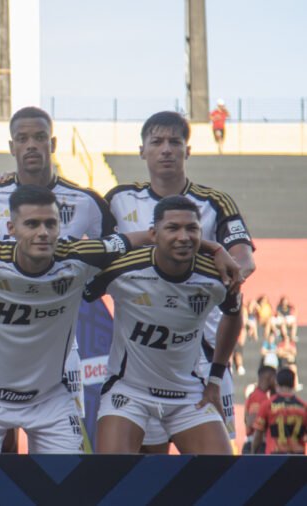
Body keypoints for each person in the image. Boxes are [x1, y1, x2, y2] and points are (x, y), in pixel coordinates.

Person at [0, 106, 116, 449]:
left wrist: (84, 289)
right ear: (11, 146)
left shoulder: (86, 201)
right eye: (23, 138)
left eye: (40, 137)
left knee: (61, 465)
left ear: (53, 143)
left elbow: (116, 257)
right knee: (0, 456)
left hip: (57, 355)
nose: (31, 145)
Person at [105, 111, 255, 451]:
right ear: (142, 150)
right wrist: (209, 247)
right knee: (149, 464)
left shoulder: (214, 201)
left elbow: (243, 262)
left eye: (175, 142)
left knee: (216, 468)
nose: (166, 149)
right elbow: (99, 253)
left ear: (188, 150)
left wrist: (209, 274)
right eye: (157, 142)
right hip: (144, 354)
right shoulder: (118, 199)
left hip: (204, 351)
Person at [87, 196, 242, 455]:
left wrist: (215, 378)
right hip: (129, 392)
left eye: (192, 229)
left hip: (188, 394)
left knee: (223, 472)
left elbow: (234, 315)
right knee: (111, 473)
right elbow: (79, 291)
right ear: (153, 233)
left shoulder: (216, 276)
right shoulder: (123, 269)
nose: (183, 237)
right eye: (172, 228)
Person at [251, 368, 307, 454]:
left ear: (276, 383)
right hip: (297, 456)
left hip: (275, 456)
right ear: (294, 384)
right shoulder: (303, 406)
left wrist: (253, 452)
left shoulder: (268, 405)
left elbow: (258, 434)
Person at [243, 365, 276, 454]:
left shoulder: (259, 395)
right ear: (269, 377)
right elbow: (252, 421)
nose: (276, 382)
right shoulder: (258, 396)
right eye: (275, 378)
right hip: (257, 445)